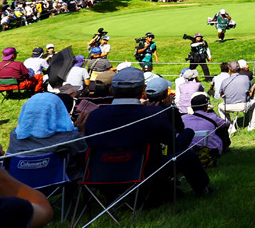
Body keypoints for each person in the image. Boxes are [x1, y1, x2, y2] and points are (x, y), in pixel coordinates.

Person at [82, 67, 213, 202]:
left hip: (100, 176)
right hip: (142, 173)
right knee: (187, 154)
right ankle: (203, 190)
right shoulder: (153, 114)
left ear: (111, 91)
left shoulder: (94, 116)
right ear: (142, 91)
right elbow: (170, 143)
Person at [217, 61, 255, 131]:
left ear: (229, 70)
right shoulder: (245, 78)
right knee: (254, 104)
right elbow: (248, 89)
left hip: (229, 106)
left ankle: (230, 127)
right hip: (244, 105)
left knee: (220, 107)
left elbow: (220, 93)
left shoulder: (225, 81)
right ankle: (252, 126)